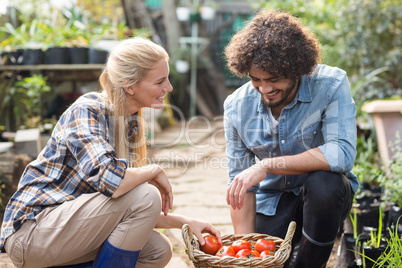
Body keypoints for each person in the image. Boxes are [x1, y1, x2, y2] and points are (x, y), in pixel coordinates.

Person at [0, 37, 222, 268]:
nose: (169, 88)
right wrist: (153, 170)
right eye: (160, 81)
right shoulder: (87, 110)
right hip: (31, 235)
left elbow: (125, 210)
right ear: (129, 85)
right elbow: (114, 183)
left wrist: (185, 222)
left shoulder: (129, 124)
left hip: (65, 231)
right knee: (147, 194)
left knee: (158, 250)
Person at [223, 10, 357, 267]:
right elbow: (241, 185)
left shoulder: (331, 85)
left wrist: (267, 165)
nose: (264, 89)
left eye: (273, 80)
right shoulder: (236, 107)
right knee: (269, 259)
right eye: (255, 79)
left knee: (324, 183)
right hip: (271, 201)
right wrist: (245, 250)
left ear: (297, 69)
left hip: (322, 197)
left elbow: (341, 153)